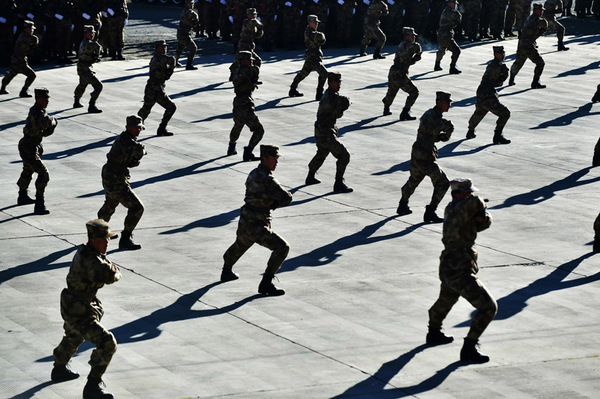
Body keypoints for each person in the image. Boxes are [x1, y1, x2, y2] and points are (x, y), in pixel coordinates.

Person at [426, 178, 498, 364]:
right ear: (461, 194)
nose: (471, 194)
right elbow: (477, 203)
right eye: (468, 192)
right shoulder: (468, 205)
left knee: (447, 299)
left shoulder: (451, 208)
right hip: (460, 265)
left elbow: (479, 225)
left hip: (448, 263)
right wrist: (483, 209)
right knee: (488, 307)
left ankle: (433, 332)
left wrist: (483, 217)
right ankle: (469, 347)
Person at [51, 219, 121, 399]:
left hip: (75, 304)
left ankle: (59, 368)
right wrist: (115, 270)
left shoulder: (86, 250)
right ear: (93, 239)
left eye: (108, 239)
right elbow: (110, 275)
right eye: (104, 239)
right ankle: (92, 387)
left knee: (74, 335)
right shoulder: (91, 259)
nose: (107, 242)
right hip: (78, 308)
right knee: (107, 343)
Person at [221, 144, 293, 296]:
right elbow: (286, 198)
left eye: (277, 158)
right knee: (282, 248)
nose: (276, 162)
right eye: (274, 158)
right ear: (264, 158)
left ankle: (226, 271)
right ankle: (266, 283)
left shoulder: (253, 173)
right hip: (257, 223)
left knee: (241, 244)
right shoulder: (268, 179)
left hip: (246, 218)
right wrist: (276, 202)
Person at [396, 91, 454, 223]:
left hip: (419, 151)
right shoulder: (434, 117)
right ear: (439, 102)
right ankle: (430, 211)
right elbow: (444, 127)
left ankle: (403, 204)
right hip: (425, 155)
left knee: (415, 178)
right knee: (443, 183)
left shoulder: (430, 113)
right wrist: (447, 133)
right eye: (446, 102)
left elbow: (432, 133)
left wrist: (440, 136)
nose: (449, 105)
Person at [97, 115, 146, 251]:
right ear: (128, 127)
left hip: (112, 175)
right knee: (137, 207)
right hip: (115, 178)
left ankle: (99, 231)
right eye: (136, 128)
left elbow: (132, 161)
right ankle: (125, 238)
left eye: (140, 128)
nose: (138, 131)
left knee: (110, 204)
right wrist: (141, 150)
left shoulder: (127, 139)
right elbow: (138, 151)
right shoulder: (126, 141)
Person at [305, 72, 353, 194]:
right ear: (330, 82)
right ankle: (338, 183)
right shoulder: (331, 97)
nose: (339, 84)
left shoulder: (330, 95)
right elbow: (340, 110)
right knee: (344, 155)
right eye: (337, 82)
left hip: (322, 128)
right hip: (326, 130)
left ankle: (310, 176)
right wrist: (345, 104)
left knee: (322, 152)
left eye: (340, 82)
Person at [16, 88, 57, 215]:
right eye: (45, 98)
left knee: (28, 170)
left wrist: (51, 125)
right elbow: (47, 122)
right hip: (28, 146)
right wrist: (54, 121)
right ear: (38, 99)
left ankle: (22, 195)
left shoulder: (39, 111)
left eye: (48, 98)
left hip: (32, 145)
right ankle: (40, 203)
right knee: (43, 173)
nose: (47, 101)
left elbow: (45, 132)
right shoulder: (37, 112)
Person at [466, 46, 511, 145]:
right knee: (505, 113)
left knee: (480, 112)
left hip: (483, 92)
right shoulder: (496, 66)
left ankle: (470, 130)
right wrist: (505, 75)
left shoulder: (494, 65)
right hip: (488, 94)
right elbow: (496, 82)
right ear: (495, 55)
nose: (503, 55)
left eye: (503, 53)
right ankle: (497, 135)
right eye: (500, 53)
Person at [227, 50, 264, 162]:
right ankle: (248, 152)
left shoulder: (237, 70)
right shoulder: (246, 70)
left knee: (238, 125)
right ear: (242, 61)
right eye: (249, 60)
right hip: (245, 103)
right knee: (259, 130)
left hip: (238, 102)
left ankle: (231, 147)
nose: (251, 62)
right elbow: (257, 67)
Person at [137, 40, 177, 137]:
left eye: (165, 47)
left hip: (152, 88)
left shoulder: (159, 58)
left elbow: (166, 75)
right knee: (171, 107)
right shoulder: (159, 59)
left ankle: (134, 125)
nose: (165, 49)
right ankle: (161, 128)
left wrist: (171, 68)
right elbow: (171, 62)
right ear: (157, 48)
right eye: (162, 47)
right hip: (156, 89)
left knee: (146, 109)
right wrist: (172, 65)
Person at [382, 27, 422, 121]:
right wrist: (419, 52)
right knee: (414, 92)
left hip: (394, 71)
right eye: (412, 36)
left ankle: (386, 108)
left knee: (392, 91)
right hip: (399, 73)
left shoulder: (403, 44)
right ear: (407, 36)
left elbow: (407, 60)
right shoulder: (407, 45)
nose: (414, 38)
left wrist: (414, 59)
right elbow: (416, 47)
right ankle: (405, 112)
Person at [288, 14, 328, 100]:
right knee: (324, 73)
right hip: (313, 58)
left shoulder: (311, 32)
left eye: (316, 22)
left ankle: (292, 89)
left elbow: (322, 40)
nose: (316, 24)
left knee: (302, 74)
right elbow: (321, 37)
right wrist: (321, 36)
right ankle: (319, 94)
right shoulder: (309, 32)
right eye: (314, 22)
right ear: (310, 22)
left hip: (312, 58)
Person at [509, 3, 548, 89]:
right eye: (540, 10)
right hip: (528, 45)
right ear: (536, 10)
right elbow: (538, 31)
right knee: (540, 63)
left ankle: (511, 79)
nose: (541, 12)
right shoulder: (536, 20)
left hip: (522, 43)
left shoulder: (529, 18)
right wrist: (544, 27)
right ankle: (535, 82)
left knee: (518, 62)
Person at [0, 20, 38, 97]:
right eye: (30, 29)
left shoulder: (23, 35)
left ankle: (2, 88)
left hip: (16, 60)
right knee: (32, 75)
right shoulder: (25, 36)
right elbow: (35, 40)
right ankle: (23, 91)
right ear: (26, 29)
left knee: (11, 74)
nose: (32, 31)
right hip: (20, 61)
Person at [74, 25, 104, 113]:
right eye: (90, 33)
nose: (92, 35)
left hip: (83, 66)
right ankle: (92, 105)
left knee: (82, 84)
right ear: (85, 34)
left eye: (93, 33)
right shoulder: (88, 44)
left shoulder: (86, 42)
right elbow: (97, 49)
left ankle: (76, 101)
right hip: (85, 67)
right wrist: (97, 49)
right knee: (98, 86)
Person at [229, 8, 263, 81]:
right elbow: (256, 23)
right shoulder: (247, 22)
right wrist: (260, 25)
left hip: (249, 44)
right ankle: (234, 72)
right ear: (248, 15)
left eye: (255, 14)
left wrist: (260, 30)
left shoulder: (253, 23)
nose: (254, 16)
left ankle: (252, 75)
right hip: (244, 45)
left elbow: (257, 35)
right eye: (253, 14)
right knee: (241, 60)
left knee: (244, 60)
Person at [435, 0, 462, 74]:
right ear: (450, 3)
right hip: (446, 34)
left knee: (442, 49)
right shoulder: (451, 12)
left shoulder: (446, 10)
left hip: (441, 33)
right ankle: (452, 67)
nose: (455, 5)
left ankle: (437, 64)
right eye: (454, 3)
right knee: (456, 50)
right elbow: (458, 20)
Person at [175, 0, 200, 70]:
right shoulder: (190, 12)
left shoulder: (185, 10)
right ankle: (189, 64)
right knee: (193, 48)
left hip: (181, 32)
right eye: (190, 3)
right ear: (186, 4)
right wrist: (196, 20)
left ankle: (174, 62)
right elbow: (195, 21)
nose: (192, 5)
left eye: (193, 3)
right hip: (184, 34)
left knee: (180, 48)